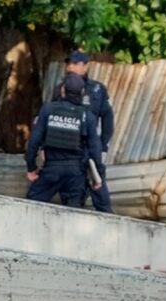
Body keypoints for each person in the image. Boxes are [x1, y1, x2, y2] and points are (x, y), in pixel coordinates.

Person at [25, 73, 103, 208]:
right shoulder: (87, 117)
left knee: (30, 207)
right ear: (82, 92)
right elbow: (95, 149)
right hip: (76, 174)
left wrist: (31, 167)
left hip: (51, 170)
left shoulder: (48, 110)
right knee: (74, 214)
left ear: (62, 90)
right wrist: (98, 176)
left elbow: (34, 141)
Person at [53, 50, 114, 213]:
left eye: (75, 63)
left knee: (98, 185)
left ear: (85, 66)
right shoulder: (60, 89)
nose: (70, 67)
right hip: (69, 148)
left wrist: (103, 146)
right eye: (69, 63)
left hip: (90, 146)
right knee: (71, 193)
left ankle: (108, 219)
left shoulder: (97, 89)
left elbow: (107, 119)